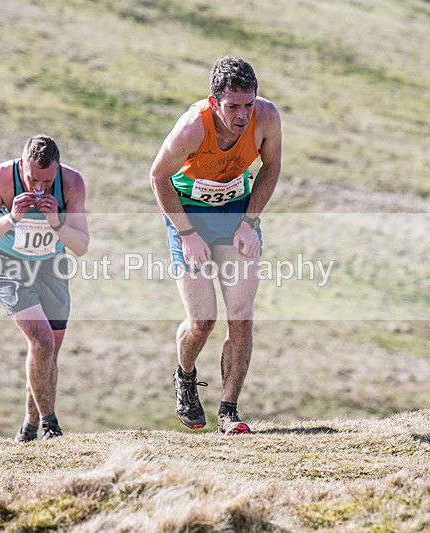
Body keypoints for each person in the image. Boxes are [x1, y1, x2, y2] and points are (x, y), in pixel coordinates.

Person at [149, 56, 282, 435]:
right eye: (233, 106)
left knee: (241, 316)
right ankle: (185, 375)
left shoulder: (267, 119)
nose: (242, 115)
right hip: (187, 216)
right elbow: (158, 176)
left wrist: (250, 221)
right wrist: (187, 235)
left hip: (235, 215)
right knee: (203, 320)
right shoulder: (192, 128)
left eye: (248, 104)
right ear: (214, 103)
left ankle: (229, 410)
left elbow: (271, 167)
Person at [0, 135, 89, 442]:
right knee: (42, 338)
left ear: (58, 170)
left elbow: (82, 246)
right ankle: (51, 425)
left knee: (47, 353)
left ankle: (28, 428)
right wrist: (11, 218)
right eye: (33, 179)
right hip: (8, 266)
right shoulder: (0, 178)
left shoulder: (72, 183)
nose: (38, 188)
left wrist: (57, 222)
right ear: (22, 166)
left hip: (50, 268)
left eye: (47, 182)